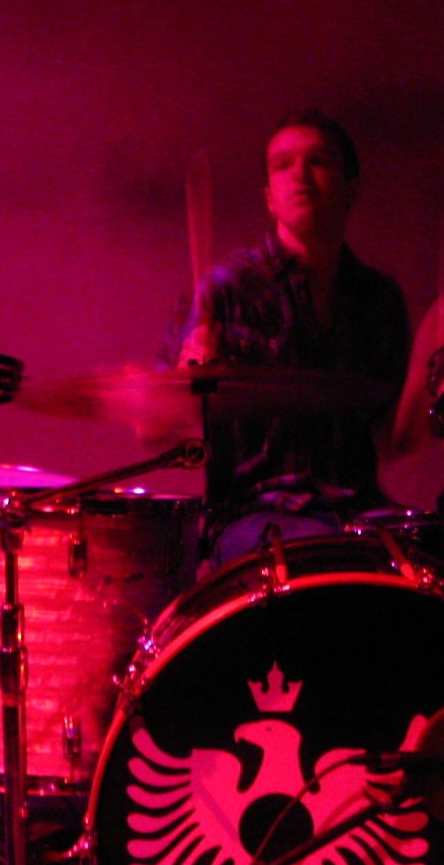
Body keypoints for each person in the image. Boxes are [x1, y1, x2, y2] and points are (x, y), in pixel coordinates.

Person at [163, 110, 417, 566]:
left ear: (351, 189)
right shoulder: (223, 289)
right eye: (283, 165)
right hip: (255, 516)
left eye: (317, 161)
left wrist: (431, 356)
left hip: (360, 511)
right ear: (269, 198)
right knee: (332, 556)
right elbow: (155, 429)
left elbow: (390, 441)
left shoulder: (379, 299)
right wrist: (188, 381)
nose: (299, 174)